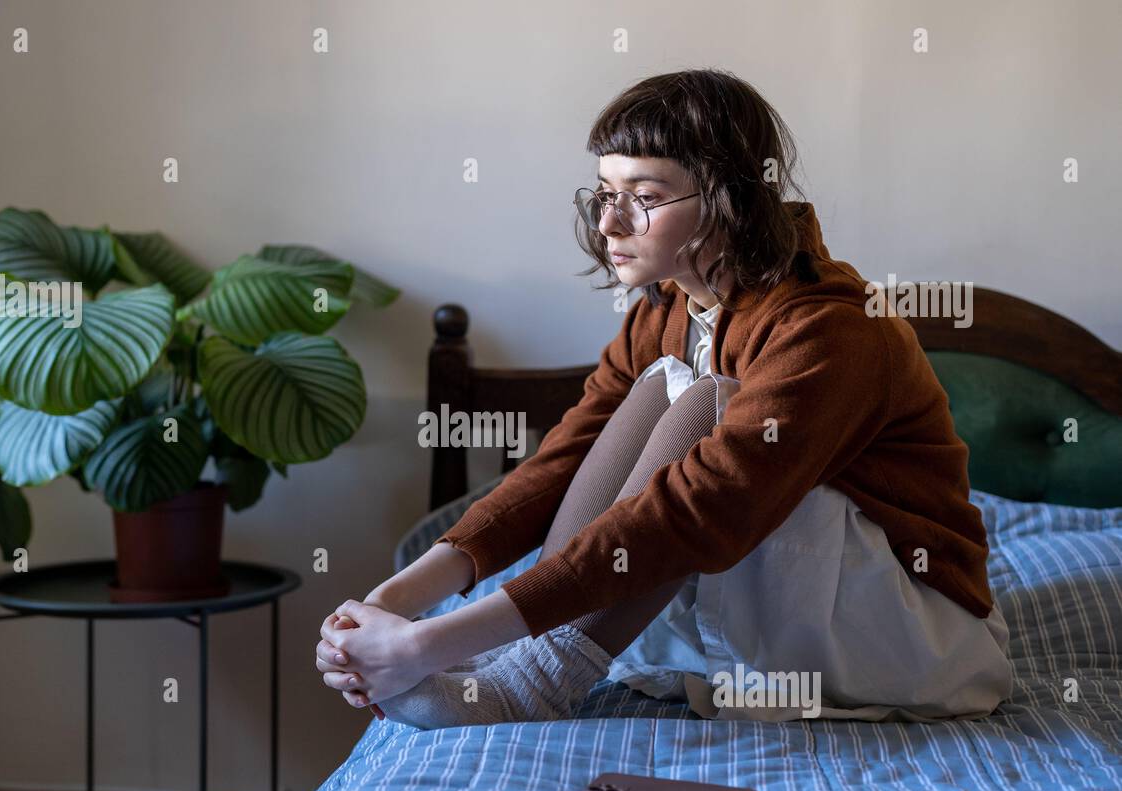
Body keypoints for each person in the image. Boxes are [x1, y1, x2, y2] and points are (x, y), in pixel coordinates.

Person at [315, 69, 1014, 729]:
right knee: (663, 389)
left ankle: (541, 672)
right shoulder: (664, 309)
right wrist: (395, 602)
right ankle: (531, 657)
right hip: (785, 596)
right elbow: (564, 461)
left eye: (644, 197)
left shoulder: (830, 328)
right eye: (602, 193)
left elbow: (698, 510)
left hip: (898, 627)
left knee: (707, 401)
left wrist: (434, 643)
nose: (610, 223)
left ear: (728, 200)